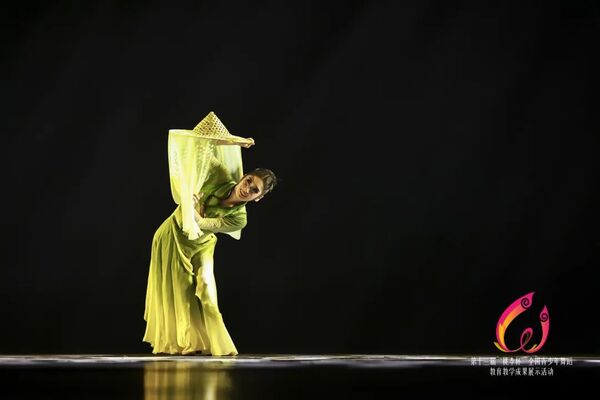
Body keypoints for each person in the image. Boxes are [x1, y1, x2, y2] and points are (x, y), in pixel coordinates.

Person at [142, 112, 277, 356]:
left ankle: (218, 346)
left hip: (201, 244)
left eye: (254, 190)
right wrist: (232, 142)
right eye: (248, 181)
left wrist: (194, 207)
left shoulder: (240, 218)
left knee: (206, 290)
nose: (247, 188)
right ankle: (188, 343)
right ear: (244, 176)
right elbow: (196, 146)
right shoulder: (221, 176)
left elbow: (203, 224)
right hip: (173, 235)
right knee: (180, 291)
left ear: (258, 198)